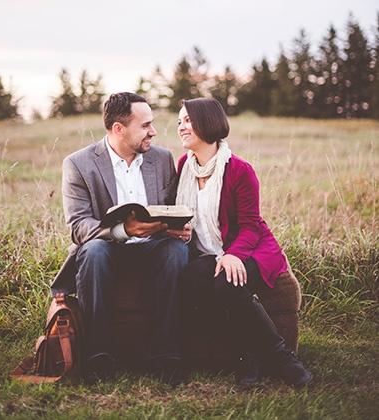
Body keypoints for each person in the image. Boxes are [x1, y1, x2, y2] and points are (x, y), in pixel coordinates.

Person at [50, 92, 189, 384]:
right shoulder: (79, 164)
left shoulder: (162, 159)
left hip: (153, 247)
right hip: (108, 249)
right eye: (145, 125)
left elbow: (170, 207)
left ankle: (167, 354)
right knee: (93, 250)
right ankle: (98, 354)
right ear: (118, 129)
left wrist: (177, 227)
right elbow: (78, 226)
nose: (154, 131)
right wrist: (124, 231)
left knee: (176, 251)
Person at [173, 98, 312, 388]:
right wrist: (180, 232)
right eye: (179, 121)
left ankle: (277, 359)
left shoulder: (239, 169)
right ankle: (234, 358)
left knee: (228, 282)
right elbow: (185, 216)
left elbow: (250, 225)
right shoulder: (184, 165)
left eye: (187, 120)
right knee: (190, 278)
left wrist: (233, 255)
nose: (181, 127)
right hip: (209, 252)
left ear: (207, 123)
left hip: (251, 248)